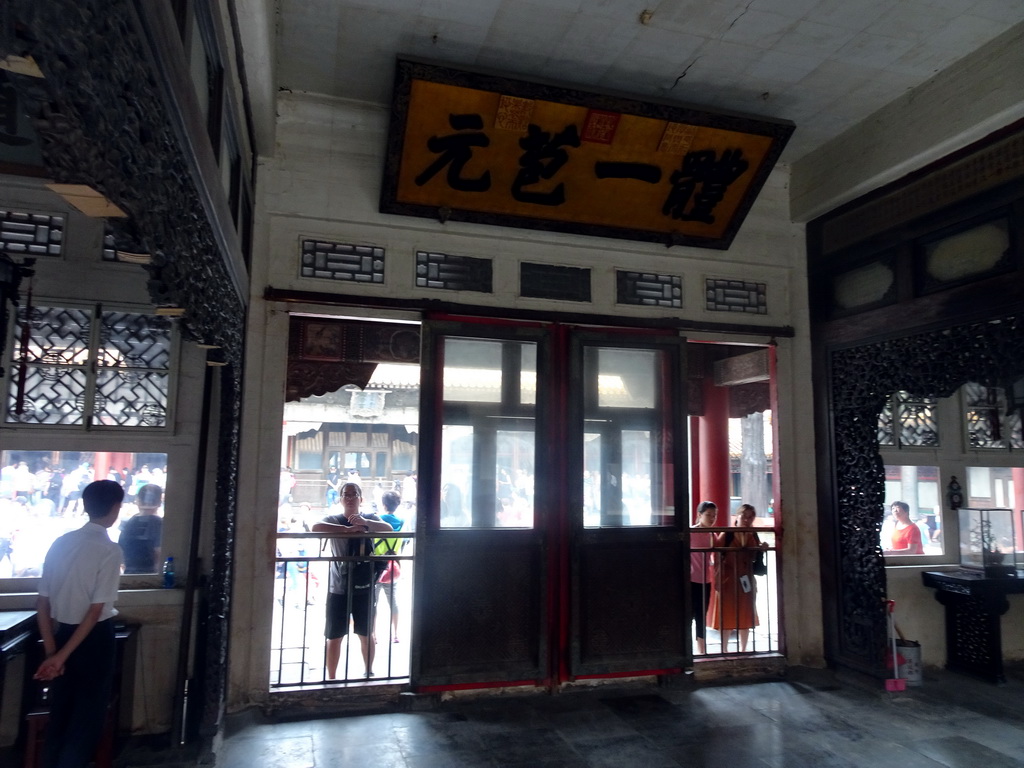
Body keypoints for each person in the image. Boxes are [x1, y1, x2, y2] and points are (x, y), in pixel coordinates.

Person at [34, 479, 124, 768]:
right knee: (86, 718)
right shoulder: (109, 551)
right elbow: (95, 612)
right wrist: (61, 655)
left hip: (61, 634)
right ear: (115, 508)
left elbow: (43, 603)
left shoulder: (61, 543)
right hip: (93, 640)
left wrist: (53, 653)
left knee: (60, 713)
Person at [311, 482, 393, 678]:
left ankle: (368, 671)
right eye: (346, 495)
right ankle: (331, 677)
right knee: (334, 635)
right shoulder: (334, 519)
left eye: (354, 494)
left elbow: (388, 529)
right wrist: (345, 529)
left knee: (365, 633)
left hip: (363, 584)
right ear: (340, 499)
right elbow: (315, 527)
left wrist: (366, 523)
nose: (349, 498)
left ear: (361, 499)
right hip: (338, 586)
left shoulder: (370, 518)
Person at [707, 503, 768, 653]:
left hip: (745, 577)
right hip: (728, 578)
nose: (747, 520)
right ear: (737, 515)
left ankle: (743, 649)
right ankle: (725, 649)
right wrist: (718, 579)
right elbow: (718, 557)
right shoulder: (727, 534)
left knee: (746, 612)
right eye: (744, 516)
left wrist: (760, 549)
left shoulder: (752, 534)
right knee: (726, 613)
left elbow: (754, 556)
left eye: (750, 517)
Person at [373, 491, 405, 643]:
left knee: (374, 602)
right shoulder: (402, 522)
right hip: (393, 566)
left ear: (384, 504)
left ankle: (373, 634)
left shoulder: (377, 520)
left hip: (377, 566)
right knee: (393, 601)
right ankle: (396, 634)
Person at [690, 501, 718, 655]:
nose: (712, 518)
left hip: (705, 581)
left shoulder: (713, 535)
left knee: (702, 616)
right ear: (699, 515)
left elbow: (720, 555)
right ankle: (686, 650)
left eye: (714, 515)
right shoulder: (691, 533)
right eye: (708, 515)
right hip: (690, 580)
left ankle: (702, 650)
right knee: (688, 616)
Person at [118, 483, 164, 573]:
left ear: (137, 501)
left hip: (129, 573)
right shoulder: (159, 523)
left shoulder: (127, 522)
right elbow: (158, 552)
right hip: (151, 576)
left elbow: (121, 552)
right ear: (159, 502)